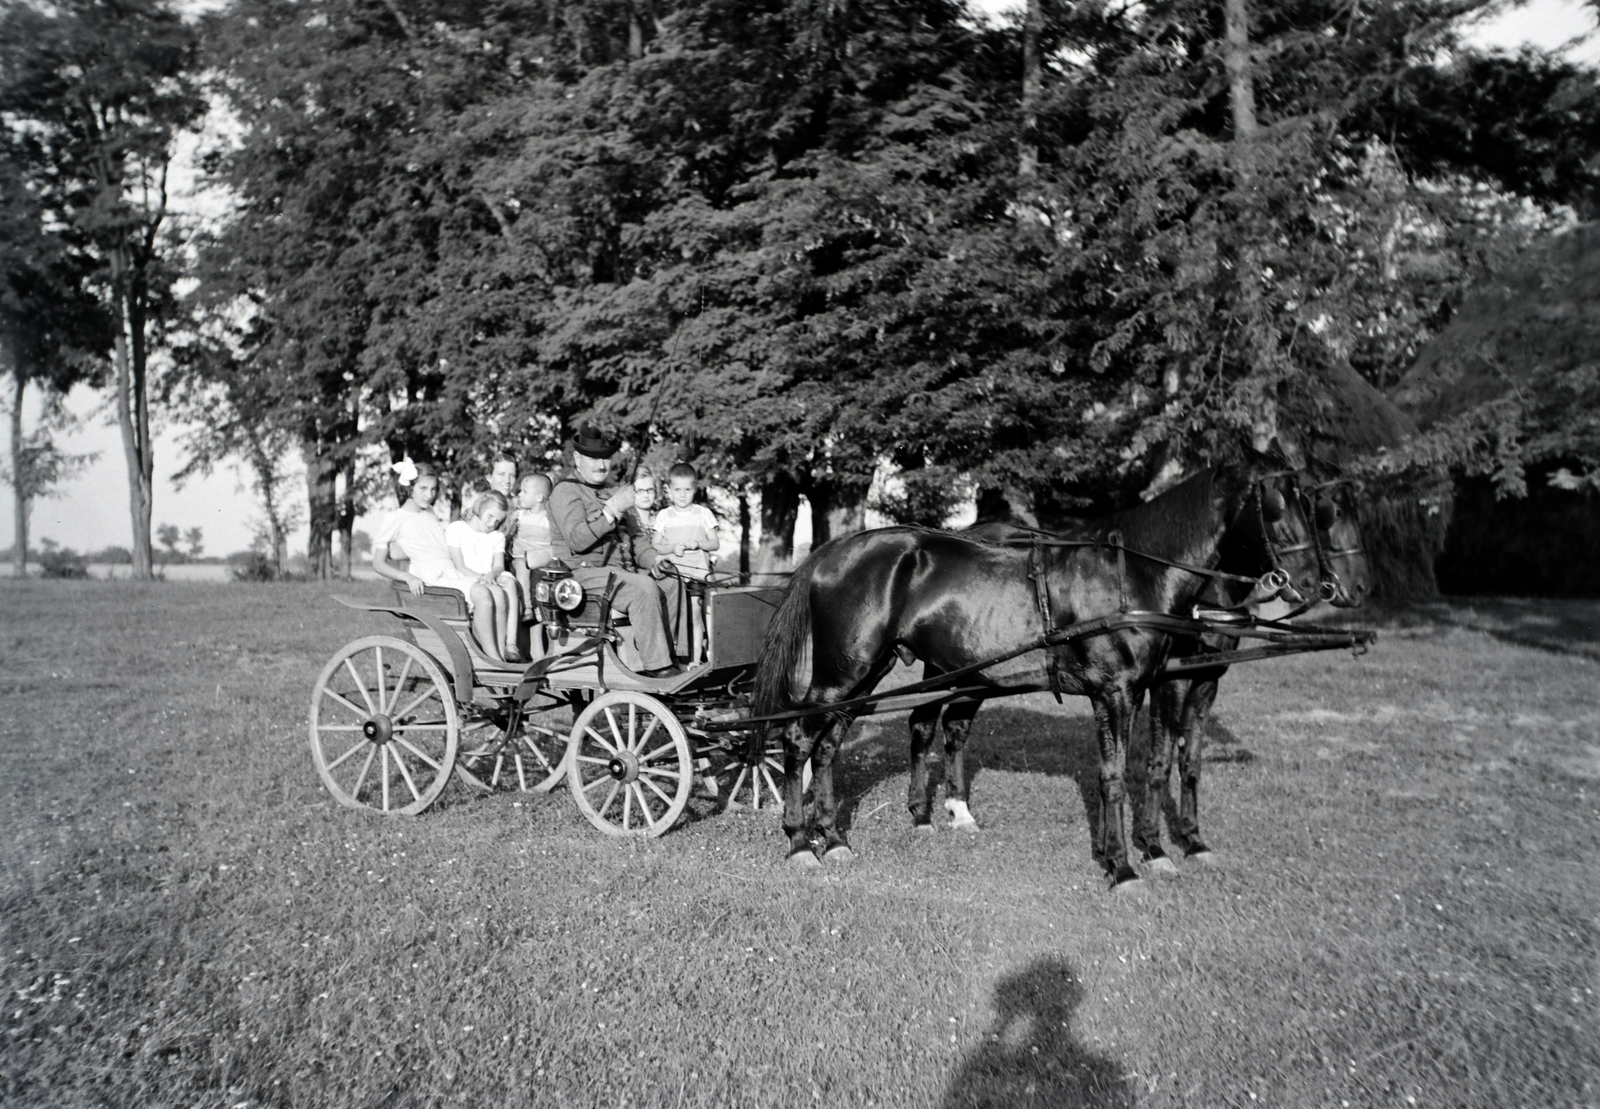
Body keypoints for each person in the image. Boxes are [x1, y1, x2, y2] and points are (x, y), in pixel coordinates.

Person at [547, 426, 684, 677]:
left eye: (605, 458)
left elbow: (639, 540)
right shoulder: (565, 491)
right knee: (642, 587)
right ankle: (657, 667)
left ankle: (673, 657)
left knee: (670, 579)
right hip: (582, 576)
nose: (601, 465)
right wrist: (612, 511)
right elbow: (577, 540)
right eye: (593, 459)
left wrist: (654, 560)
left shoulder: (616, 491)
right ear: (578, 459)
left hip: (620, 574)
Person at [371, 461, 509, 664]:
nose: (429, 495)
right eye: (423, 488)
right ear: (409, 488)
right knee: (481, 593)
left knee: (497, 591)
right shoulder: (396, 518)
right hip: (430, 577)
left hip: (449, 571)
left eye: (433, 489)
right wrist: (407, 576)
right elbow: (378, 563)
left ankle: (500, 653)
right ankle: (492, 658)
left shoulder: (429, 514)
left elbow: (432, 544)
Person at [651, 463, 722, 663]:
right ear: (669, 491)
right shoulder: (664, 515)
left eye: (687, 490)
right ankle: (675, 657)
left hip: (698, 573)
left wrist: (698, 543)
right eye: (677, 490)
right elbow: (656, 545)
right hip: (674, 577)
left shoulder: (703, 514)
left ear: (695, 489)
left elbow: (715, 543)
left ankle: (697, 659)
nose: (682, 495)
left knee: (696, 614)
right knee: (677, 616)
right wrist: (673, 548)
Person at [446, 491, 522, 662]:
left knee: (509, 583)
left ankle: (508, 645)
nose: (492, 523)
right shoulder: (457, 529)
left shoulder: (496, 536)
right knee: (496, 592)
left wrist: (491, 575)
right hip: (466, 577)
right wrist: (482, 578)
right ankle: (494, 653)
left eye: (498, 521)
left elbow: (498, 566)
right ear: (479, 508)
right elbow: (460, 565)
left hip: (489, 576)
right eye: (490, 516)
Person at [510, 473, 555, 619]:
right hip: (520, 558)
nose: (519, 494)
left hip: (540, 560)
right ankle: (528, 606)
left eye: (525, 491)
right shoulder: (519, 515)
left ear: (539, 498)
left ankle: (543, 609)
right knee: (523, 568)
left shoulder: (549, 520)